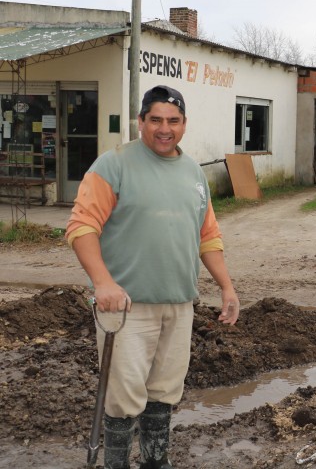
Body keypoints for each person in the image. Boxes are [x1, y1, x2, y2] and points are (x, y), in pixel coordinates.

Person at [66, 85, 240, 469]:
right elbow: (81, 227)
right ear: (141, 121)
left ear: (184, 124)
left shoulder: (193, 172)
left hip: (178, 305)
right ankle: (116, 464)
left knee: (164, 392)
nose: (165, 129)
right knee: (123, 397)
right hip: (126, 308)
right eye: (156, 120)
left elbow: (207, 236)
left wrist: (226, 287)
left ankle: (155, 461)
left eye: (173, 121)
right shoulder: (113, 165)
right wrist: (103, 283)